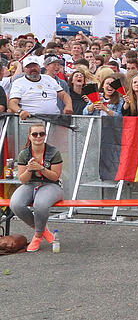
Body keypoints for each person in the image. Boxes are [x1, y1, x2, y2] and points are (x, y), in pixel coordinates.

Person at [9, 123, 64, 252]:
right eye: (35, 134)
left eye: (41, 134)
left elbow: (55, 177)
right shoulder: (24, 154)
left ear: (45, 136)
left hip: (51, 184)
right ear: (30, 136)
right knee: (15, 204)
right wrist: (29, 169)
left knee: (40, 204)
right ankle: (43, 230)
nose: (38, 136)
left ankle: (38, 236)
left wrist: (41, 168)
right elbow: (23, 180)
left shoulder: (54, 152)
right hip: (30, 184)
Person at [8, 55, 73, 118]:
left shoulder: (49, 79)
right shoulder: (18, 82)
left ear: (39, 67)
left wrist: (68, 106)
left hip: (54, 119)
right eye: (29, 67)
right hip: (31, 119)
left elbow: (64, 95)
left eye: (35, 66)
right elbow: (12, 103)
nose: (33, 69)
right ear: (24, 69)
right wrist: (20, 111)